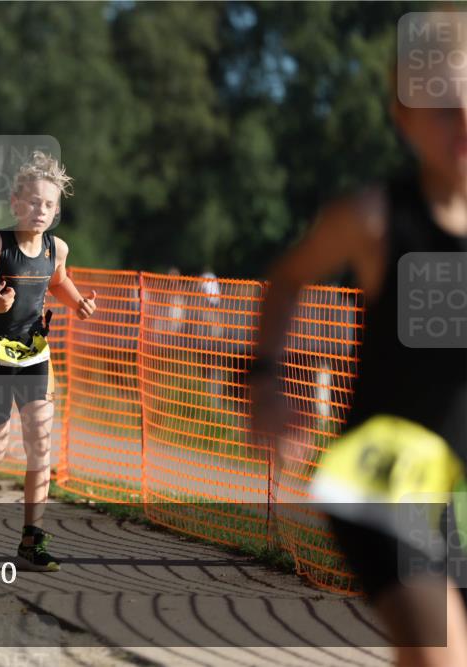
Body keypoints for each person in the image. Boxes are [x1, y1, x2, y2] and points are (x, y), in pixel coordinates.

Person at [250, 32, 467, 665]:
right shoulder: (374, 218)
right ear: (403, 115)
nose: (463, 121)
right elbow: (287, 279)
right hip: (384, 478)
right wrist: (267, 378)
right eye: (443, 106)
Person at [0, 151, 96, 572]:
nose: (40, 211)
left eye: (49, 205)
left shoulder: (57, 248)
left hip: (34, 353)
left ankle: (32, 538)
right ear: (15, 202)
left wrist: (78, 301)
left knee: (41, 443)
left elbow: (59, 279)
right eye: (32, 202)